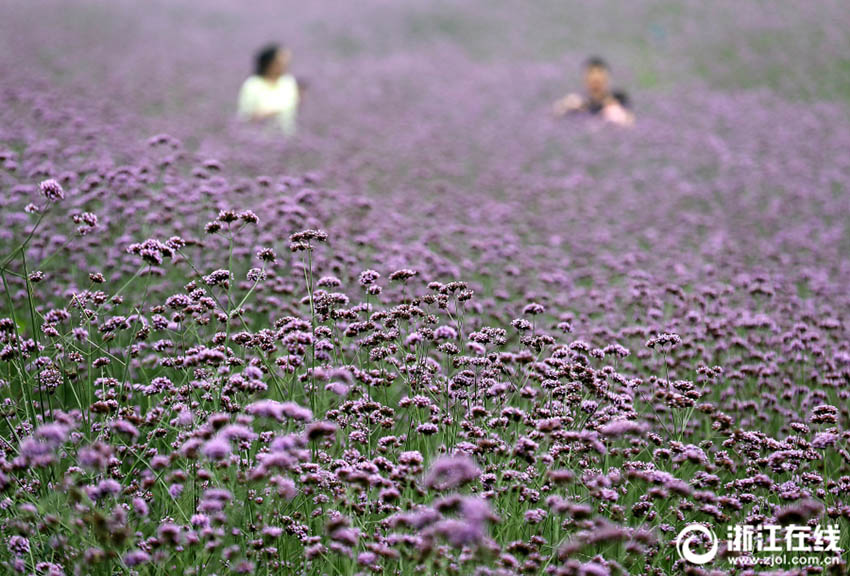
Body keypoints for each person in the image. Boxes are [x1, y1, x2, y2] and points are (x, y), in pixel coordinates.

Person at [237, 44, 301, 136]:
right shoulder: (252, 84)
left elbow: (291, 104)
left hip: (285, 136)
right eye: (280, 63)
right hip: (257, 138)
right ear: (269, 63)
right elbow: (244, 114)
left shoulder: (288, 82)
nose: (285, 66)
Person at [553, 57, 634, 126]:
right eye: (591, 73)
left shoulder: (618, 97)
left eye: (599, 72)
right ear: (585, 78)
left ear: (607, 77)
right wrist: (565, 106)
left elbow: (629, 120)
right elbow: (556, 115)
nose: (596, 77)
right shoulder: (578, 101)